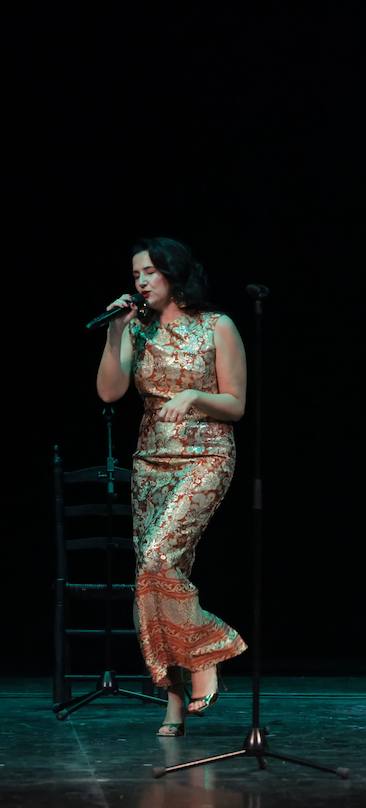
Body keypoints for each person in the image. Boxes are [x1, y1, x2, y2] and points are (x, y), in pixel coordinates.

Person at [96, 237, 248, 737]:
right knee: (157, 575)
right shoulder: (135, 327)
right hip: (151, 464)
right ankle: (174, 702)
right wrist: (116, 329)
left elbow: (235, 404)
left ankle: (207, 654)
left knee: (159, 559)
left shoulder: (216, 325)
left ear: (173, 274)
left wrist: (194, 394)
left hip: (205, 456)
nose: (139, 281)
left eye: (149, 272)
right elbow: (110, 392)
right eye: (135, 273)